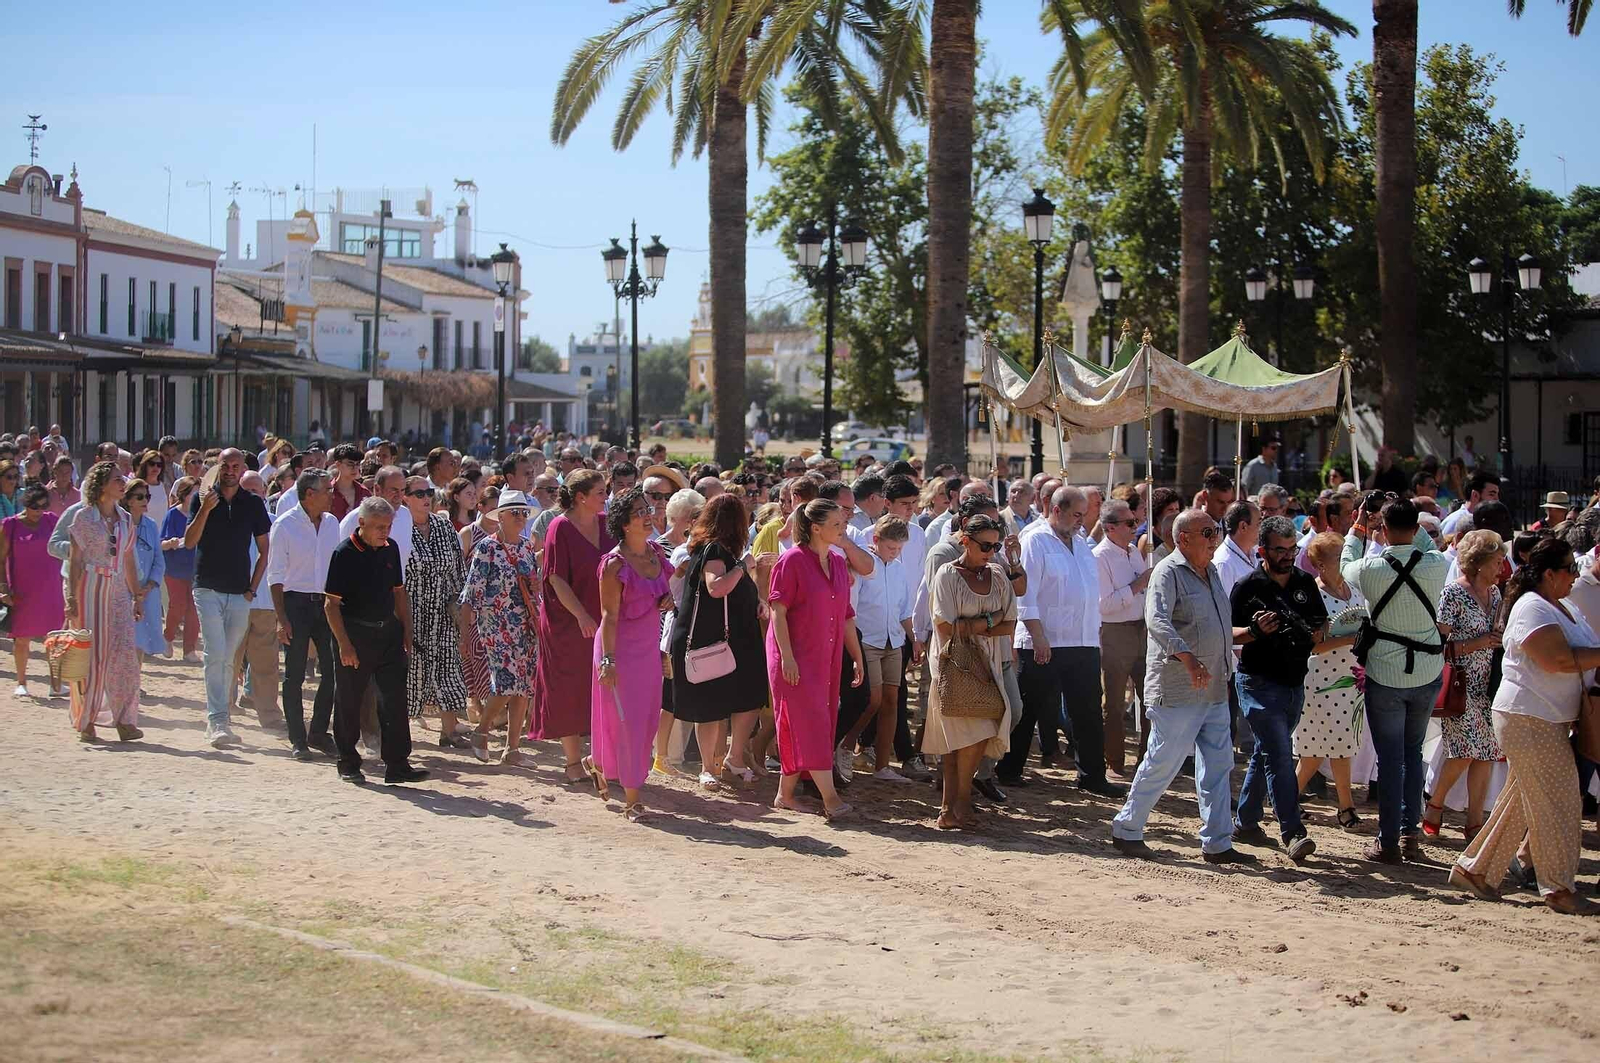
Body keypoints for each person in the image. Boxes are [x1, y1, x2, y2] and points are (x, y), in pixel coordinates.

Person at [1450, 537, 1600, 914]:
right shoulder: (1533, 607)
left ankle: (1476, 869)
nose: (1575, 574)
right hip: (1529, 719)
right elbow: (1557, 660)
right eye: (1570, 568)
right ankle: (1558, 889)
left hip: (1543, 718)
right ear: (1550, 574)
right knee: (1561, 804)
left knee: (1520, 803)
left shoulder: (1560, 606)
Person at [1110, 510, 1254, 864]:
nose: (1214, 538)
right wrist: (1188, 658)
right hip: (1177, 687)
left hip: (1216, 687)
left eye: (1216, 530)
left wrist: (1251, 634)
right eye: (1207, 532)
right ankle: (1127, 829)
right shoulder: (1168, 572)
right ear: (1183, 538)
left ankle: (1217, 843)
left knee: (1219, 765)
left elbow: (1219, 625)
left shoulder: (1213, 572)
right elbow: (1156, 620)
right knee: (1164, 761)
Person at [1341, 497, 1448, 863]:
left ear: (1382, 530)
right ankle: (1408, 834)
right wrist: (1396, 524)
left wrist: (1360, 526)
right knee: (1412, 753)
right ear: (1417, 529)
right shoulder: (1437, 564)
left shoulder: (1370, 568)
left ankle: (1388, 842)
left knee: (1389, 760)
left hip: (1386, 673)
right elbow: (1427, 545)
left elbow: (1345, 565)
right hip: (1427, 670)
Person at [1004, 486, 1123, 797]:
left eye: (1084, 515)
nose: (1081, 521)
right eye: (1076, 515)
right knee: (1029, 708)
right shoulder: (1035, 539)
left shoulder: (1081, 543)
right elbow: (1026, 593)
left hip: (1082, 641)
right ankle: (1009, 769)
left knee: (1087, 711)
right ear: (1057, 510)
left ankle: (1092, 776)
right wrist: (1037, 635)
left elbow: (1088, 590)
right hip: (1045, 640)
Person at [1229, 515, 1327, 864]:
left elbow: (1320, 621)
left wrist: (1318, 632)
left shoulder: (1304, 581)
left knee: (1265, 752)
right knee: (1280, 754)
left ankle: (1245, 821)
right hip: (1257, 681)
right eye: (1280, 550)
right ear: (1263, 550)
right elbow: (1228, 633)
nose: (1287, 556)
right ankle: (1293, 831)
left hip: (1294, 682)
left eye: (1292, 549)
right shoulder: (1246, 586)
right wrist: (1255, 631)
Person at [768, 498, 865, 821]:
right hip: (795, 655)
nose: (843, 529)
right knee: (813, 724)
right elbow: (777, 611)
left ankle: (785, 794)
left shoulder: (838, 563)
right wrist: (787, 657)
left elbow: (847, 616)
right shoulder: (792, 561)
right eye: (836, 524)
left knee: (807, 722)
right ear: (815, 528)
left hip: (826, 655)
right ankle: (831, 798)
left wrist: (857, 656)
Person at [323, 497, 427, 786]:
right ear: (361, 523)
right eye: (379, 527)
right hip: (354, 633)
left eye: (388, 526)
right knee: (349, 699)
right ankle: (348, 761)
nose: (385, 532)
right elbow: (331, 605)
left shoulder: (391, 548)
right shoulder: (344, 553)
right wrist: (344, 644)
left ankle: (397, 763)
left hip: (388, 633)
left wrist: (406, 630)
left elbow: (399, 593)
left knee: (394, 699)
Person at [924, 513, 1017, 829]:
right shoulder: (947, 575)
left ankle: (954, 807)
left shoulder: (999, 575)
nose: (991, 552)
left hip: (988, 663)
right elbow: (946, 626)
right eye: (985, 545)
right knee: (960, 737)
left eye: (996, 546)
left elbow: (1009, 623)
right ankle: (956, 807)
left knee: (979, 731)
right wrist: (988, 622)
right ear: (965, 540)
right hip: (953, 663)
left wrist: (976, 626)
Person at [668, 493, 767, 787]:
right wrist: (743, 565)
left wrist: (757, 601)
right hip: (713, 640)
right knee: (710, 705)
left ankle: (732, 759)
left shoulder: (717, 550)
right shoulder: (714, 551)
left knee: (748, 698)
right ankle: (709, 766)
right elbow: (716, 588)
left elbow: (737, 591)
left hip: (734, 640)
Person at [588, 487, 673, 820]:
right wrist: (607, 661)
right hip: (619, 651)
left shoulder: (655, 553)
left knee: (648, 720)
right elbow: (609, 615)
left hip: (648, 651)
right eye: (639, 511)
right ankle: (633, 799)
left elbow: (663, 598)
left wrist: (666, 603)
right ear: (623, 523)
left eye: (647, 509)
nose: (648, 514)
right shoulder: (613, 564)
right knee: (629, 723)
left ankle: (596, 762)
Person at [184, 448, 272, 749]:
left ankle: (221, 717)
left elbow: (264, 550)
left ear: (243, 468)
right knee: (215, 653)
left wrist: (252, 588)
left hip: (239, 592)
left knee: (228, 659)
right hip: (207, 587)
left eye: (236, 466)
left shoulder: (254, 504)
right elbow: (189, 541)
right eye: (226, 465)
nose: (231, 470)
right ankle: (217, 719)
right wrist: (206, 509)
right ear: (218, 468)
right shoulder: (202, 497)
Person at [533, 469, 613, 779]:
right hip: (567, 619)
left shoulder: (606, 523)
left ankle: (601, 757)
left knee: (600, 685)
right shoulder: (560, 527)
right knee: (569, 687)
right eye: (600, 492)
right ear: (581, 497)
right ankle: (572, 762)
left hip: (604, 617)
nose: (605, 497)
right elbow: (554, 577)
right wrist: (581, 615)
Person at [1427, 530, 1506, 841]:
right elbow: (1437, 643)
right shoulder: (1453, 594)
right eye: (1497, 561)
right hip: (1460, 683)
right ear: (1479, 562)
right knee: (1463, 753)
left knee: (1486, 753)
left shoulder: (1496, 594)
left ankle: (1473, 821)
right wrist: (1475, 644)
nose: (1501, 567)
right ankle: (1435, 802)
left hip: (1489, 684)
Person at [459, 490, 542, 767]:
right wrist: (463, 636)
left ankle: (512, 748)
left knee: (524, 686)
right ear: (501, 516)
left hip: (525, 624)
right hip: (495, 623)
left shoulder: (528, 547)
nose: (520, 517)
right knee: (507, 681)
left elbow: (534, 586)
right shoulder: (487, 548)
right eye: (515, 513)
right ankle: (481, 730)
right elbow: (471, 592)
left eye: (523, 513)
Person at [836, 515, 920, 783]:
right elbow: (852, 606)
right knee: (871, 700)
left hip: (894, 640)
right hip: (867, 640)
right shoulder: (863, 567)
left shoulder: (897, 569)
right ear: (876, 541)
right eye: (891, 548)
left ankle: (883, 765)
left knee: (891, 701)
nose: (895, 553)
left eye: (899, 549)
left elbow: (904, 608)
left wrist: (913, 637)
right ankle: (846, 746)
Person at [1293, 532, 1368, 829]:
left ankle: (1344, 804)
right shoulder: (1313, 594)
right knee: (1314, 749)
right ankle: (1291, 797)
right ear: (1321, 564)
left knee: (1343, 744)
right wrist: (1348, 638)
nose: (1344, 561)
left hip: (1350, 677)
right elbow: (1312, 643)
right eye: (1338, 556)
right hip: (1321, 678)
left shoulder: (1353, 589)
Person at [266, 470, 342, 761]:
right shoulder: (285, 525)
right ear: (310, 494)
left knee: (333, 671)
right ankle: (298, 738)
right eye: (327, 490)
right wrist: (281, 617)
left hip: (326, 604)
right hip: (295, 604)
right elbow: (275, 575)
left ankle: (319, 732)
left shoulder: (332, 524)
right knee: (295, 674)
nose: (331, 495)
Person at [65, 462, 143, 743]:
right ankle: (87, 719)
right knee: (93, 659)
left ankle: (124, 719)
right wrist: (71, 597)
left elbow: (128, 558)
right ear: (100, 486)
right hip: (90, 588)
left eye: (122, 479)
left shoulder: (125, 519)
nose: (123, 483)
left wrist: (137, 595)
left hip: (119, 590)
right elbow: (75, 560)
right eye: (116, 479)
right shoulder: (84, 518)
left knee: (125, 657)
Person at [401, 475, 471, 750]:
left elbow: (458, 570)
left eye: (428, 492)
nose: (425, 498)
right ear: (405, 498)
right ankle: (400, 731)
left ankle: (449, 731)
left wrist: (462, 610)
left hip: (443, 613)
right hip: (411, 612)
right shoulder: (399, 527)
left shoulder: (443, 526)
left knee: (447, 669)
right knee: (410, 672)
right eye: (418, 494)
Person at [1095, 498, 1150, 777]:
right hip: (1115, 633)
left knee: (1150, 699)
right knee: (1114, 703)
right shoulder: (1099, 557)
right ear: (1110, 528)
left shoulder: (1133, 552)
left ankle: (1146, 762)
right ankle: (1114, 761)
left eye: (1135, 521)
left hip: (1141, 630)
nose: (1135, 527)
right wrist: (1139, 584)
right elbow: (1104, 604)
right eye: (1129, 523)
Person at [0, 484, 64, 697]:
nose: (39, 511)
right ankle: (21, 682)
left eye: (43, 506)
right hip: (22, 588)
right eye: (35, 507)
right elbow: (1, 560)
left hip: (50, 586)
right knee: (22, 638)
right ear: (26, 504)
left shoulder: (52, 520)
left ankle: (56, 684)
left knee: (53, 637)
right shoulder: (10, 525)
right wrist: (3, 588)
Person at [232, 471, 283, 729]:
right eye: (247, 490)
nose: (254, 495)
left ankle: (269, 714)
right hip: (234, 600)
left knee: (266, 665)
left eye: (257, 489)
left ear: (265, 491)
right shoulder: (230, 519)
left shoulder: (276, 523)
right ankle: (224, 710)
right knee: (229, 660)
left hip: (265, 602)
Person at [123, 478, 166, 658]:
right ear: (128, 500)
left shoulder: (152, 526)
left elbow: (159, 559)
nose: (145, 501)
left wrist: (150, 584)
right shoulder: (120, 524)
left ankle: (136, 682)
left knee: (142, 638)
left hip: (148, 591)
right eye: (140, 497)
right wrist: (132, 587)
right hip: (124, 590)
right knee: (126, 637)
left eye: (147, 496)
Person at [160, 476, 200, 660]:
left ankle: (189, 650)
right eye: (194, 493)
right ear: (184, 495)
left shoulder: (202, 514)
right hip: (175, 568)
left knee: (194, 609)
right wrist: (171, 542)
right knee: (178, 605)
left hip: (197, 568)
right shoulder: (172, 514)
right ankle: (167, 637)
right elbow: (162, 542)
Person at [1213, 501, 1260, 598]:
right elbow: (1225, 609)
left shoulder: (1253, 552)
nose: (1261, 528)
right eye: (1258, 524)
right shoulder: (1224, 564)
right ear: (1243, 526)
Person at [1440, 470, 1499, 541]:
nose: (1497, 499)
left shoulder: (1488, 521)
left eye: (1497, 494)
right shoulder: (1455, 521)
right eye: (1492, 494)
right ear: (1475, 495)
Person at [135, 449, 169, 529]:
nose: (155, 467)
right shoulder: (138, 486)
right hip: (143, 532)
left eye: (159, 465)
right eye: (152, 464)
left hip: (161, 534)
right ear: (145, 465)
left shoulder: (165, 487)